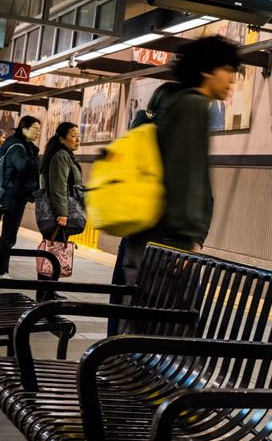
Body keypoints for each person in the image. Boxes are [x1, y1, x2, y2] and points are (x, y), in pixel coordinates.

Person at [110, 37, 240, 334]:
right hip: (168, 245)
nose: (231, 78)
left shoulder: (171, 100)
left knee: (142, 327)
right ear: (208, 71)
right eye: (228, 69)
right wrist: (187, 241)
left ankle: (124, 376)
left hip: (148, 239)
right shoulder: (193, 106)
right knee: (163, 335)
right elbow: (185, 179)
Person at [107, 81, 181, 335]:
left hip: (134, 237)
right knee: (145, 315)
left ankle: (115, 356)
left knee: (126, 307)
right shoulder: (167, 139)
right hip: (157, 243)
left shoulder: (139, 132)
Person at [0, 115, 42, 280]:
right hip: (14, 194)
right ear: (24, 129)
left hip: (15, 193)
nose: (38, 133)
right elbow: (24, 166)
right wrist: (37, 159)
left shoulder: (21, 145)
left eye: (39, 130)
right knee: (9, 235)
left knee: (8, 234)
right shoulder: (18, 147)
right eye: (35, 129)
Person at [36, 121, 82, 300]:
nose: (77, 140)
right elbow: (58, 186)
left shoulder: (65, 155)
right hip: (59, 214)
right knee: (52, 250)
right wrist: (62, 212)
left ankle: (46, 292)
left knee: (52, 251)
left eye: (78, 136)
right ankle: (45, 294)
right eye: (73, 136)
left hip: (60, 211)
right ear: (62, 139)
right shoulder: (61, 156)